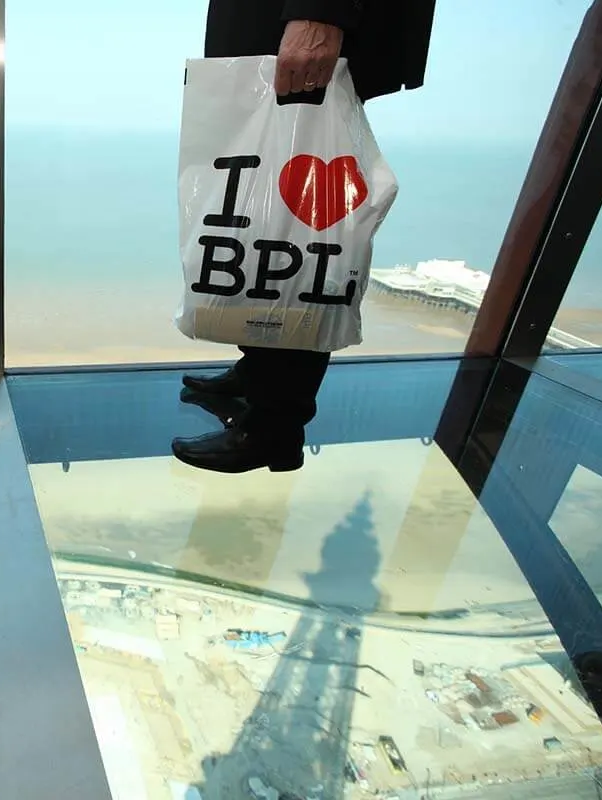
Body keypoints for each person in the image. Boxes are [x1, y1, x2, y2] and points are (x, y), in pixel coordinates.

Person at [172, 0, 436, 474]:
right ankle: (258, 371)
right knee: (271, 229)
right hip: (282, 23)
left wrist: (321, 12)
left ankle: (275, 429)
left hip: (304, 20)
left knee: (300, 246)